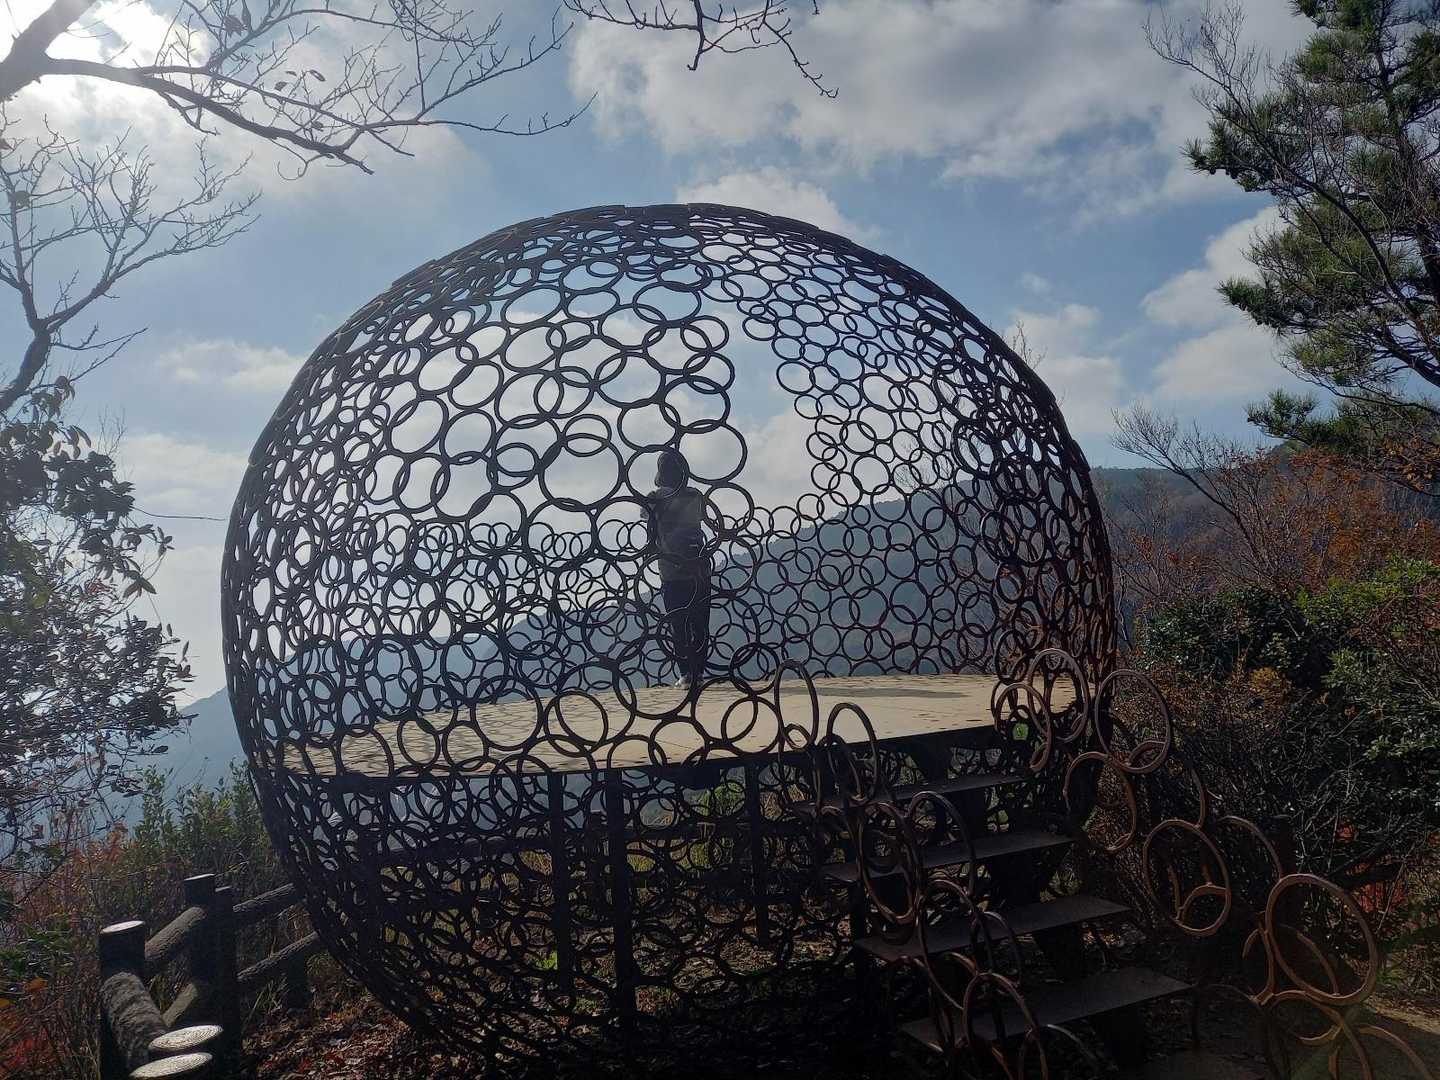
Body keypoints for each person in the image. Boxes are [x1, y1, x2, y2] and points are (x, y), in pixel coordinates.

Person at [644, 450, 712, 693]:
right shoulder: (695, 495)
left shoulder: (654, 499)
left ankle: (686, 674)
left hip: (671, 572)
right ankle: (699, 672)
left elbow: (645, 517)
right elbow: (703, 518)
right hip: (699, 568)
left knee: (678, 625)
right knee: (700, 624)